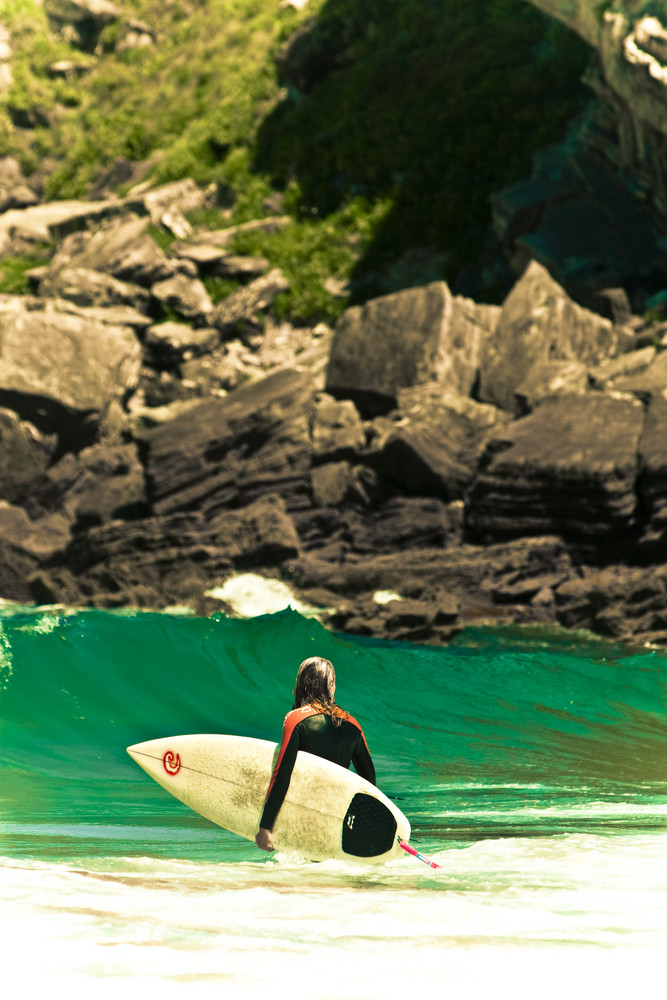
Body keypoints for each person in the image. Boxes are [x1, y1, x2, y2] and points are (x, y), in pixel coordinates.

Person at [255, 656, 376, 852]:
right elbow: (369, 779)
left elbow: (282, 774)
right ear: (331, 686)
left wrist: (266, 827)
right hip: (335, 816)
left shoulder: (296, 719)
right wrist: (362, 823)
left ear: (301, 684)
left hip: (302, 814)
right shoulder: (352, 724)